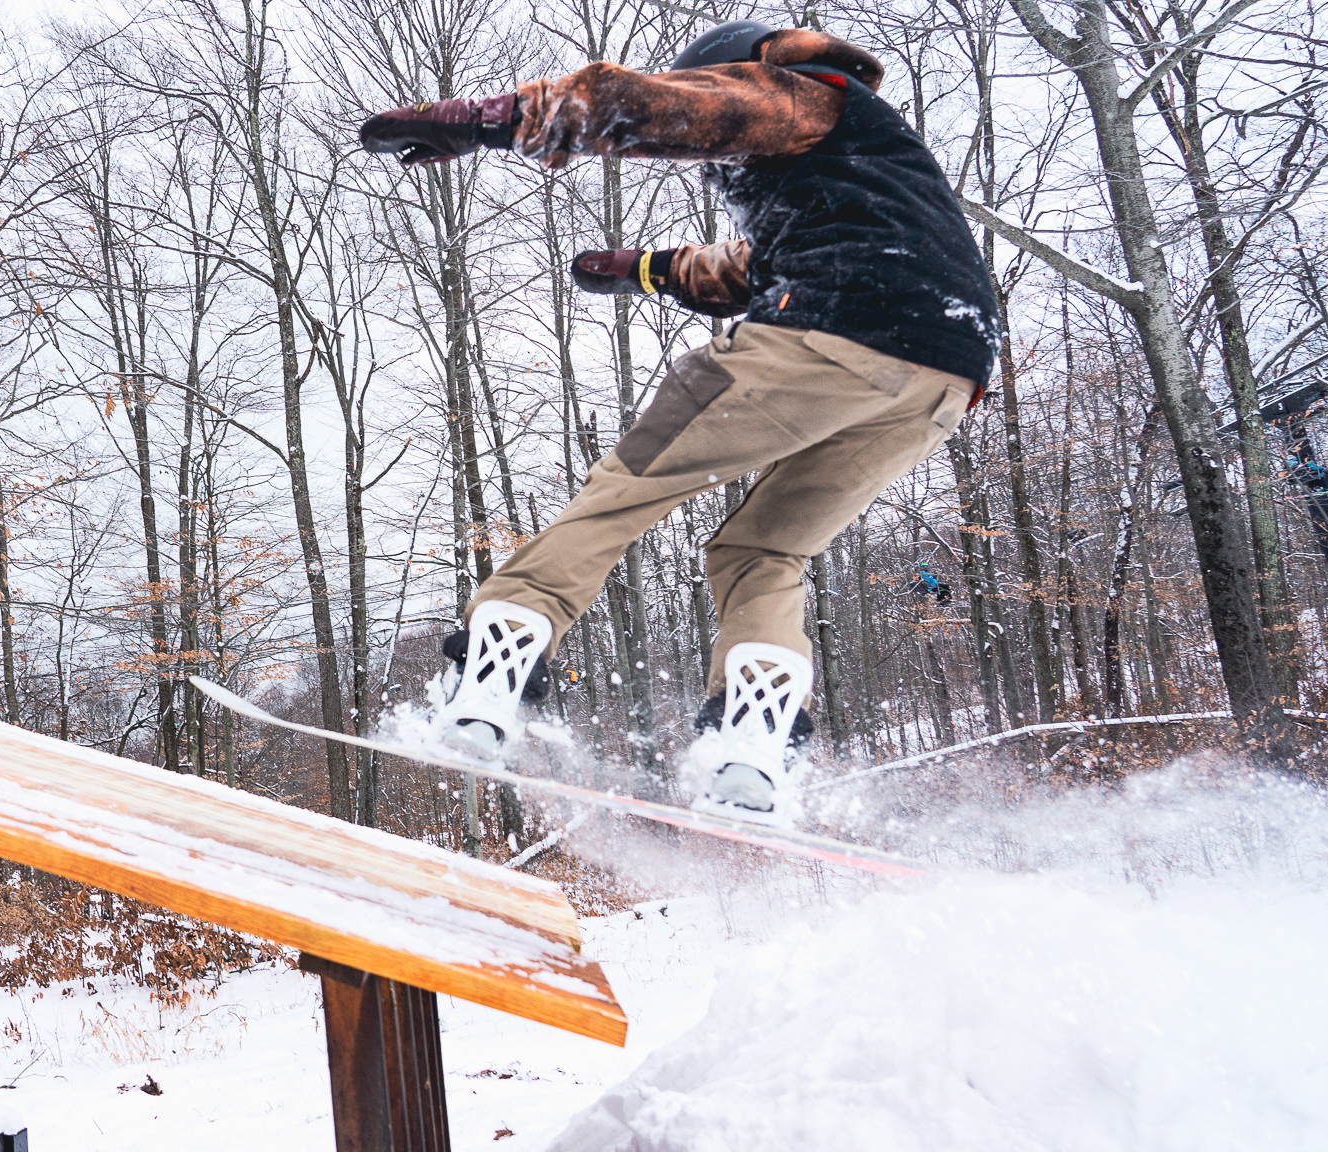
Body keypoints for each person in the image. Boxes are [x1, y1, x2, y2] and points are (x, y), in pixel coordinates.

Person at [358, 20, 998, 826]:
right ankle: (751, 746)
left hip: (839, 328)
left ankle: (489, 685)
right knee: (765, 549)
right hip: (940, 376)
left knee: (627, 488)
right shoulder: (869, 170)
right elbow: (760, 265)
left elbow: (659, 107)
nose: (722, 163)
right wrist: (647, 271)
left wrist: (494, 119)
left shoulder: (799, 91)